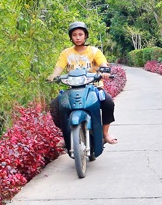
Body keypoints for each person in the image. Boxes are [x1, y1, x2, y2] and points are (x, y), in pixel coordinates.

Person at [47, 21, 118, 151]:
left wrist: (104, 71)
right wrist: (53, 76)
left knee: (108, 102)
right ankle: (66, 134)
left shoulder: (94, 51)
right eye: (74, 35)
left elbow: (103, 64)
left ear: (85, 36)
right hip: (72, 89)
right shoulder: (66, 53)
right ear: (71, 37)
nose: (78, 37)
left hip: (94, 87)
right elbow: (59, 68)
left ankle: (105, 133)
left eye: (80, 34)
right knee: (55, 105)